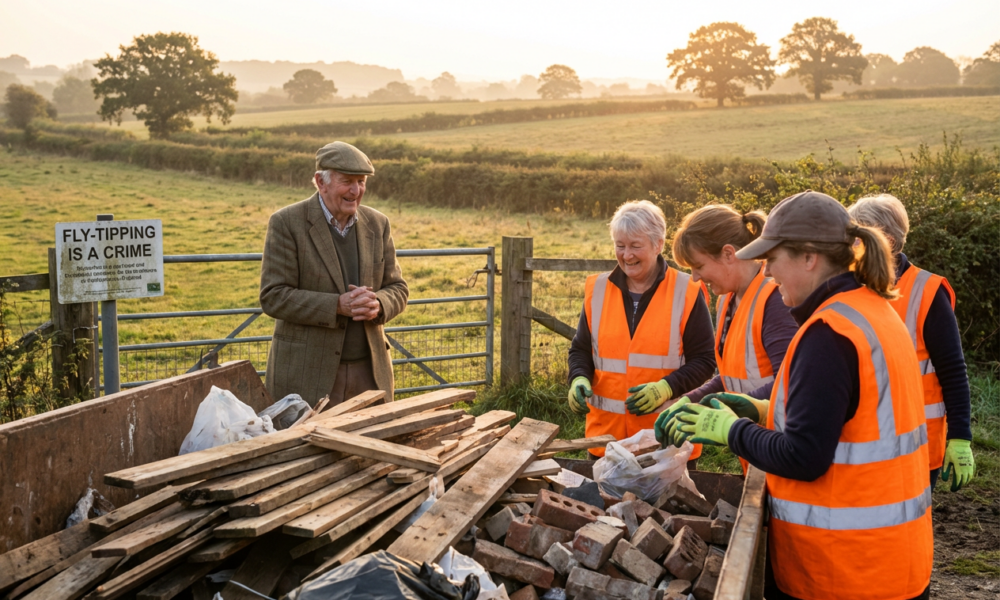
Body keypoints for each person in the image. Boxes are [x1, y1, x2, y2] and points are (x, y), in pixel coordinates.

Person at [659, 191, 932, 600]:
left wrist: (731, 431)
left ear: (809, 258)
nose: (767, 272)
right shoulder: (870, 310)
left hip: (842, 571)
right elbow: (845, 420)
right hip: (890, 561)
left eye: (773, 258)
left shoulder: (829, 334)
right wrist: (760, 407)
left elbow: (804, 456)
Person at [260, 141, 408, 408]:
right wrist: (336, 306)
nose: (356, 190)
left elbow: (397, 287)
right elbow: (273, 296)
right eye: (347, 181)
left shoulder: (378, 223)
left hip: (370, 373)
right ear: (320, 181)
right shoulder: (287, 222)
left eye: (361, 182)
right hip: (308, 374)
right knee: (305, 449)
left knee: (372, 447)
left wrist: (379, 303)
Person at [567, 200, 716, 459]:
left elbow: (705, 360)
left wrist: (667, 387)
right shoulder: (598, 290)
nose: (627, 255)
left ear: (658, 245)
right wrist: (578, 377)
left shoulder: (687, 292)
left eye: (636, 246)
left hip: (666, 443)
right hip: (607, 443)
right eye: (620, 246)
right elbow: (581, 349)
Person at [848, 194, 975, 491]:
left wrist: (960, 437)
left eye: (858, 237)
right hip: (860, 439)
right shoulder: (850, 287)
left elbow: (953, 372)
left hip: (915, 444)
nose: (850, 246)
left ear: (888, 241)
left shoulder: (928, 291)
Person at [660, 205, 799, 470]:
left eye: (699, 266)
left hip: (779, 451)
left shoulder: (775, 301)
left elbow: (791, 384)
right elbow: (733, 376)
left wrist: (721, 411)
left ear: (728, 254)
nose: (695, 278)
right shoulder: (728, 299)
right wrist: (689, 401)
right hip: (755, 451)